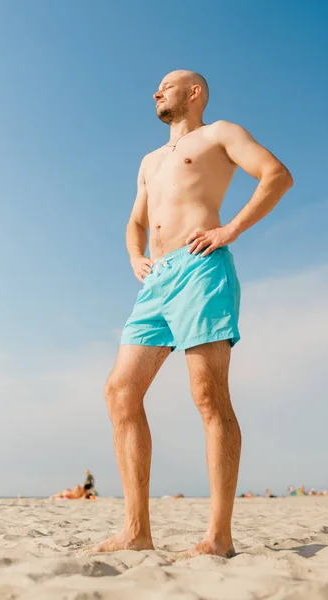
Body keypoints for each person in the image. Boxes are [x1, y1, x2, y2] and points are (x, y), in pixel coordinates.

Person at [90, 70, 292, 558]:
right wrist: (135, 256)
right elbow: (135, 223)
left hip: (202, 268)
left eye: (167, 85)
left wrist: (232, 229)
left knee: (207, 394)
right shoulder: (148, 161)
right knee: (120, 392)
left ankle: (218, 538)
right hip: (155, 282)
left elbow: (277, 175)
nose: (156, 92)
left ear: (194, 92)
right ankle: (136, 531)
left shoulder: (219, 133)